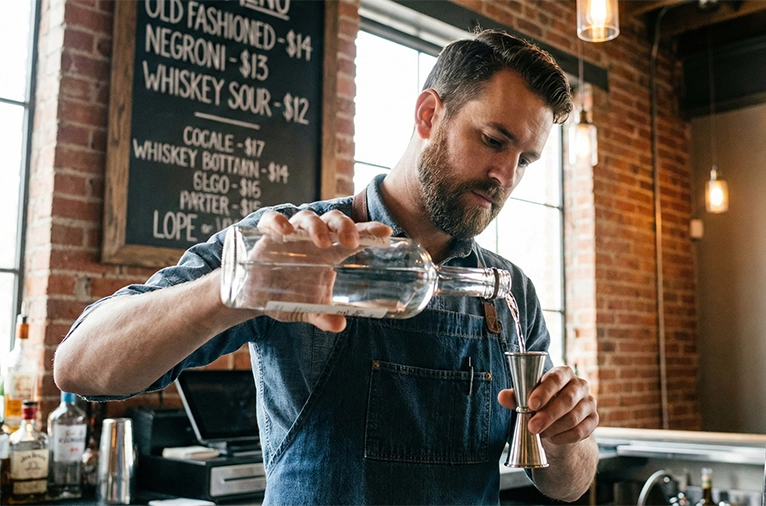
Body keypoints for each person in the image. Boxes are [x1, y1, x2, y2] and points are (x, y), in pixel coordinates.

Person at [55, 29, 600, 505]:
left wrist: (564, 437)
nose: (504, 175)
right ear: (430, 115)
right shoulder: (290, 242)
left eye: (524, 160)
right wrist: (234, 288)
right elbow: (78, 365)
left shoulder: (509, 293)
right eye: (493, 140)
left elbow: (568, 484)